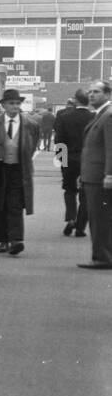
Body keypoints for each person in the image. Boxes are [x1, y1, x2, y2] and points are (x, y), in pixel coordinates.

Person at [0, 89, 37, 256]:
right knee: (0, 203)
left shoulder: (30, 124)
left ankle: (16, 239)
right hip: (0, 168)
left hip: (18, 169)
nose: (15, 106)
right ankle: (2, 240)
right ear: (3, 105)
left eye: (17, 103)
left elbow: (32, 146)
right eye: (11, 103)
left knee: (15, 203)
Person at [78, 79, 112, 270]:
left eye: (96, 92)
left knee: (100, 218)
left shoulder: (108, 115)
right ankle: (102, 255)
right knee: (98, 217)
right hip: (92, 175)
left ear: (107, 94)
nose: (91, 95)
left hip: (100, 177)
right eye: (90, 92)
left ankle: (102, 257)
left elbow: (110, 148)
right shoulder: (100, 114)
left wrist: (109, 175)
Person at [53, 88, 94, 237]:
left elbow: (59, 141)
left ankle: (71, 218)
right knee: (86, 195)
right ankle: (80, 227)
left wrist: (61, 160)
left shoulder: (64, 117)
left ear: (75, 100)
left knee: (69, 190)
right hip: (89, 160)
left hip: (69, 158)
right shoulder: (94, 117)